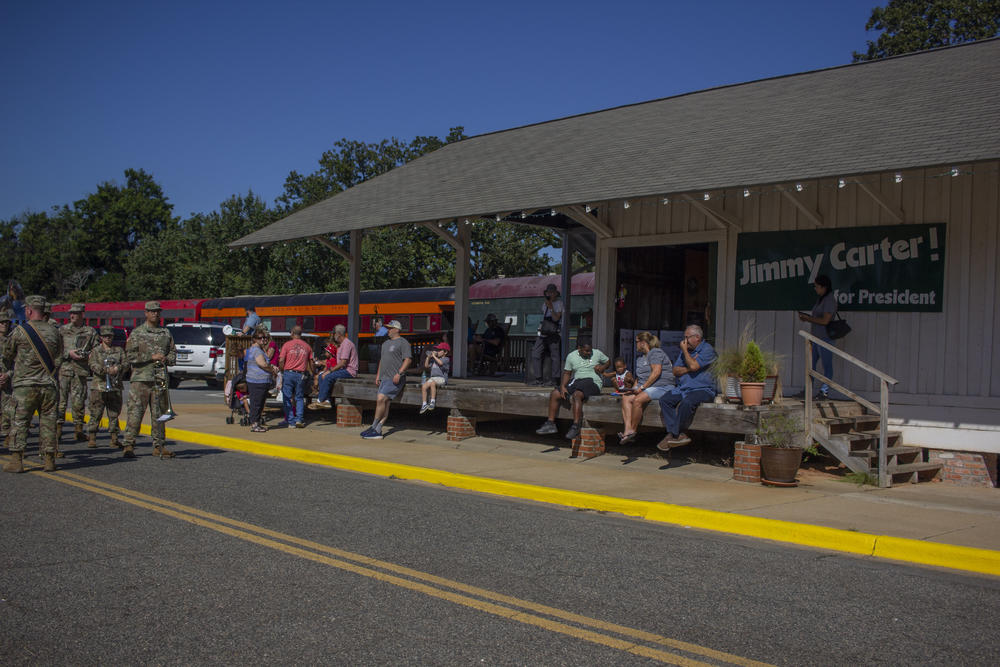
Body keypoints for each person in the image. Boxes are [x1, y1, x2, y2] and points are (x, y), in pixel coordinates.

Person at [2, 295, 63, 473]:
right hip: (49, 386)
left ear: (28, 310)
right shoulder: (55, 332)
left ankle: (16, 460)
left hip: (25, 386)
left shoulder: (21, 331)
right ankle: (49, 460)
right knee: (48, 422)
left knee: (20, 421)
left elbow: (7, 354)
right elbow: (59, 358)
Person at [123, 301, 178, 459]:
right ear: (146, 313)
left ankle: (159, 445)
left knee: (159, 413)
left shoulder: (165, 333)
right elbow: (130, 356)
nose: (156, 314)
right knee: (135, 412)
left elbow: (173, 354)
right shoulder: (138, 333)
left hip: (159, 378)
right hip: (141, 378)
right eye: (152, 311)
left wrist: (167, 358)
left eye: (158, 311)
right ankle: (128, 444)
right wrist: (150, 357)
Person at [535, 335, 609, 440]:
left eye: (590, 350)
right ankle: (550, 423)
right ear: (579, 348)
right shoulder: (571, 356)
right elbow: (567, 373)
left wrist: (602, 367)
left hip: (593, 382)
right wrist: (563, 386)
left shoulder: (597, 353)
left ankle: (575, 426)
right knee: (556, 393)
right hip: (577, 380)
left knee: (577, 394)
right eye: (586, 351)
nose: (589, 353)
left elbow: (608, 361)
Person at [657, 324, 716, 452]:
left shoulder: (707, 350)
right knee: (664, 400)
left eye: (687, 337)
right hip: (683, 389)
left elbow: (695, 367)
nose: (684, 341)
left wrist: (685, 353)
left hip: (703, 389)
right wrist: (689, 366)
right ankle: (679, 435)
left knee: (687, 402)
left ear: (697, 338)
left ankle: (672, 434)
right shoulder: (686, 351)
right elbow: (675, 370)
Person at [618, 332, 677, 445]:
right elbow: (640, 378)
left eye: (636, 342)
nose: (635, 344)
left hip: (663, 386)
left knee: (638, 400)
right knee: (626, 398)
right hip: (649, 387)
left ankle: (633, 431)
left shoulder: (655, 353)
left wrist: (642, 387)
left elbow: (656, 372)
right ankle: (627, 430)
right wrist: (633, 388)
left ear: (643, 343)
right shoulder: (640, 359)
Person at [362, 320, 411, 440]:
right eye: (388, 328)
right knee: (385, 403)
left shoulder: (403, 342)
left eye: (390, 328)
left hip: (394, 378)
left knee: (381, 399)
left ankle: (374, 427)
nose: (388, 330)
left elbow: (408, 360)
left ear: (397, 330)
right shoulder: (385, 344)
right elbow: (382, 361)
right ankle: (378, 429)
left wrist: (399, 373)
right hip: (384, 377)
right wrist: (378, 375)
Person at [57, 303, 97, 445]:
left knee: (79, 402)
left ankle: (78, 431)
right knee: (61, 402)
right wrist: (69, 353)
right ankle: (58, 430)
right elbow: (55, 349)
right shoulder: (62, 330)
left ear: (82, 315)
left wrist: (88, 355)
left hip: (80, 371)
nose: (72, 315)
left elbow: (97, 349)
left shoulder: (90, 331)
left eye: (75, 313)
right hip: (65, 370)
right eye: (70, 313)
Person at [87, 325, 129, 448]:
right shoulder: (96, 350)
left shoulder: (119, 350)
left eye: (110, 336)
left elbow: (126, 363)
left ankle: (114, 438)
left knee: (114, 414)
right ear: (101, 337)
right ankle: (92, 437)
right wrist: (104, 370)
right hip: (99, 386)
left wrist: (118, 368)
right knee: (96, 412)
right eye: (105, 336)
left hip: (115, 387)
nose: (108, 338)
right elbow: (92, 364)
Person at [798, 274, 837, 399]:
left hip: (825, 338)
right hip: (815, 338)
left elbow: (825, 321)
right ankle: (807, 390)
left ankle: (824, 391)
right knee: (811, 365)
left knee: (827, 366)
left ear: (824, 287)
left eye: (817, 286)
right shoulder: (821, 299)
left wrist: (808, 318)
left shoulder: (829, 300)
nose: (815, 289)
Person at [313, 325, 358, 409]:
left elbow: (343, 363)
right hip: (342, 370)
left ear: (338, 334)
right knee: (321, 376)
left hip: (349, 371)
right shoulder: (341, 345)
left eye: (334, 334)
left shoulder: (346, 344)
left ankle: (320, 400)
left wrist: (330, 371)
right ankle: (326, 401)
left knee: (328, 377)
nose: (333, 336)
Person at [279, 325, 313, 428]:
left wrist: (282, 370)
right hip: (301, 374)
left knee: (287, 397)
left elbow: (281, 360)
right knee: (299, 397)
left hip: (288, 373)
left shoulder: (287, 345)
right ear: (301, 334)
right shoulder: (307, 346)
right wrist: (313, 373)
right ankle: (299, 419)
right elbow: (311, 362)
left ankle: (291, 421)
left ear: (292, 333)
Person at [530, 284, 564, 386]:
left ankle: (555, 379)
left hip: (554, 332)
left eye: (552, 292)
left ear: (555, 293)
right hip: (544, 332)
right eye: (548, 292)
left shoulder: (559, 303)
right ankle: (538, 378)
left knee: (555, 356)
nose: (550, 294)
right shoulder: (544, 304)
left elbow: (556, 318)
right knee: (535, 353)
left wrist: (551, 308)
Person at [244, 330, 277, 432]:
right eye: (260, 338)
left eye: (264, 337)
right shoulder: (257, 350)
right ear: (254, 339)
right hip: (257, 381)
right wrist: (272, 369)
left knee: (258, 402)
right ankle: (255, 424)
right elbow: (262, 364)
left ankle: (256, 423)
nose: (263, 339)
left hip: (256, 380)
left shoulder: (254, 349)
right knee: (257, 403)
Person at [419, 342, 451, 414]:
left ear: (445, 352)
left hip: (441, 378)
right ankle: (424, 404)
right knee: (424, 386)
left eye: (440, 350)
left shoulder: (446, 359)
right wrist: (428, 357)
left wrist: (434, 356)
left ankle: (432, 401)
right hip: (433, 378)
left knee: (432, 383)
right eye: (437, 350)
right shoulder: (434, 360)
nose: (437, 352)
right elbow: (426, 366)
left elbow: (440, 363)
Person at [0, 309, 13, 448]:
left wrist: (7, 375)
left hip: (7, 382)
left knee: (9, 411)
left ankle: (8, 436)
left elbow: (18, 362)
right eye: (2, 322)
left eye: (6, 322)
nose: (4, 324)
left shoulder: (12, 340)